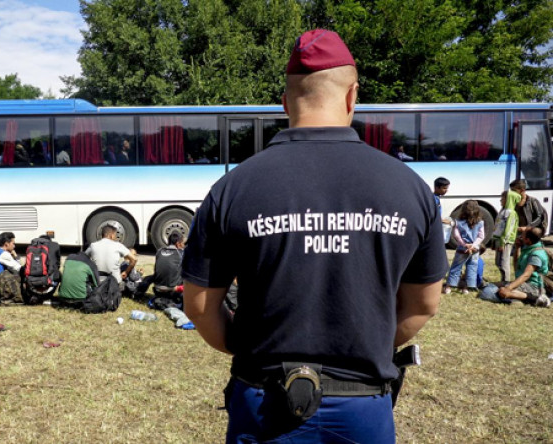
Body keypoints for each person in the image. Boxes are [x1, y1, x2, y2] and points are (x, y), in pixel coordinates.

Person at [181, 29, 446, 443]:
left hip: (263, 400)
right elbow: (424, 304)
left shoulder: (233, 188)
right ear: (352, 95)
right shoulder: (410, 188)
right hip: (364, 408)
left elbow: (199, 306)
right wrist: (368, 342)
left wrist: (247, 344)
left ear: (285, 102)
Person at [480, 228, 550, 307]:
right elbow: (517, 268)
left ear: (528, 240)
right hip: (524, 284)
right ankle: (516, 299)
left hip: (533, 287)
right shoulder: (528, 249)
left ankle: (534, 298)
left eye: (522, 235)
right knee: (489, 287)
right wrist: (517, 248)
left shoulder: (536, 255)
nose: (520, 236)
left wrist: (508, 288)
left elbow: (526, 275)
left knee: (489, 293)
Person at [443, 200, 484, 294]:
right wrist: (473, 245)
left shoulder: (459, 222)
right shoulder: (480, 222)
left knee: (456, 267)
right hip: (474, 249)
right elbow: (481, 236)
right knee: (471, 268)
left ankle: (449, 287)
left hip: (463, 249)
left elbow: (456, 235)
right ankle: (466, 288)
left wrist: (464, 244)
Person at [137, 231, 185, 309]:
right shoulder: (182, 253)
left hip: (157, 290)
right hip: (173, 291)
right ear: (178, 243)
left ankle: (138, 293)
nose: (183, 245)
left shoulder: (159, 251)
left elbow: (158, 270)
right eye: (182, 243)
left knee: (150, 276)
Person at [85, 225, 137, 292]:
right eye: (116, 235)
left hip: (97, 283)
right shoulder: (118, 245)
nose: (116, 238)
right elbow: (134, 259)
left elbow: (83, 258)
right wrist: (126, 272)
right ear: (111, 235)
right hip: (115, 283)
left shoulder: (93, 245)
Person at [493, 190, 522, 283]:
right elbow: (498, 227)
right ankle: (503, 279)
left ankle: (506, 281)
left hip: (506, 241)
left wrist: (503, 242)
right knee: (498, 262)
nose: (501, 200)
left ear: (509, 199)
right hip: (499, 240)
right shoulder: (503, 211)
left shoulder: (511, 213)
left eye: (503, 198)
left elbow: (508, 229)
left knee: (504, 261)